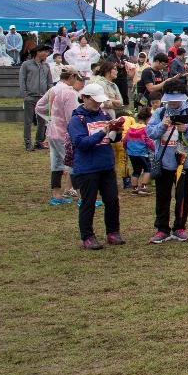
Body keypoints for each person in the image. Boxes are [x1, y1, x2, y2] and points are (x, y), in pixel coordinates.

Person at [67, 82, 127, 250]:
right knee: (88, 203)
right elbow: (81, 143)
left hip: (106, 165)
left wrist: (117, 131)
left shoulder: (105, 115)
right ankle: (87, 236)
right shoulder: (76, 120)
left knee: (112, 201)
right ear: (84, 98)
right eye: (95, 100)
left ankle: (113, 231)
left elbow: (113, 140)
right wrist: (103, 132)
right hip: (87, 168)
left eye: (100, 101)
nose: (98, 104)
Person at [145, 81, 188, 243]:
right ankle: (162, 229)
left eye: (177, 99)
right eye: (171, 99)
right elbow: (150, 133)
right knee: (162, 196)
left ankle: (180, 227)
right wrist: (162, 126)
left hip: (185, 164)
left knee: (183, 197)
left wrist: (186, 129)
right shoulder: (159, 113)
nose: (174, 102)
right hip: (164, 163)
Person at [35, 68, 85, 206]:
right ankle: (83, 197)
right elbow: (71, 116)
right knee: (74, 163)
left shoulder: (53, 89)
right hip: (64, 133)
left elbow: (39, 107)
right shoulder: (69, 92)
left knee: (56, 163)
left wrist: (51, 118)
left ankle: (56, 195)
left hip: (52, 131)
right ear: (72, 76)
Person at [20, 45, 53, 150]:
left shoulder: (46, 66)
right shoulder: (26, 64)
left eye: (47, 52)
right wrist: (25, 94)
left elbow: (49, 82)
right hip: (30, 97)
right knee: (28, 121)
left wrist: (50, 94)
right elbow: (22, 79)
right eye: (44, 51)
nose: (46, 54)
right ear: (38, 52)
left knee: (42, 121)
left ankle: (39, 141)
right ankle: (28, 142)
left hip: (43, 97)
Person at [123, 106, 156, 196]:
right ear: (148, 118)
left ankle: (134, 188)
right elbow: (148, 141)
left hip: (131, 153)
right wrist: (155, 149)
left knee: (136, 170)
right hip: (142, 153)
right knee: (147, 169)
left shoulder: (131, 127)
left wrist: (126, 148)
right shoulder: (145, 128)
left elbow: (125, 139)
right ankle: (143, 187)